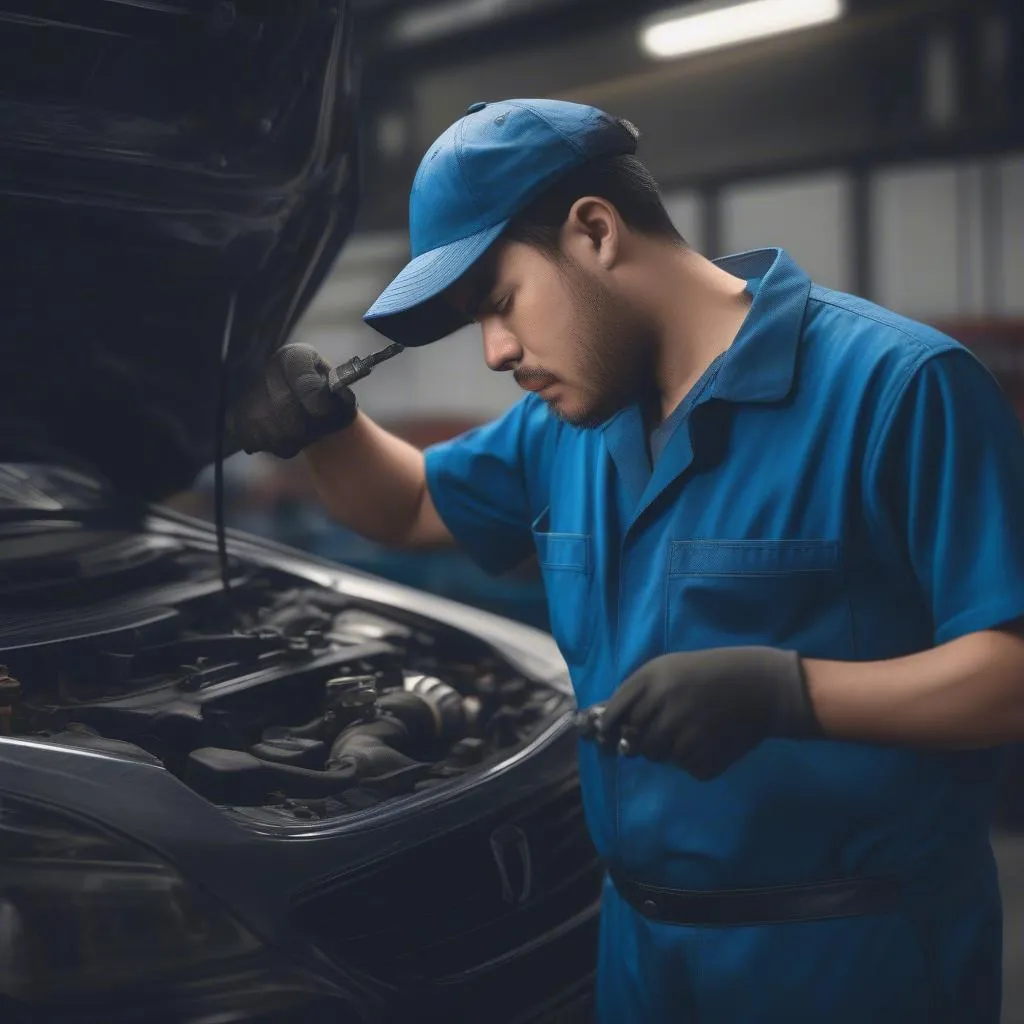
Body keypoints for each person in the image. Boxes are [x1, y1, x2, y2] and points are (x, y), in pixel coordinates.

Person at [227, 98, 1024, 1022]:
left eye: (498, 303)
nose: (495, 352)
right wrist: (330, 426)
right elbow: (406, 503)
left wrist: (788, 692)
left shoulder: (898, 389)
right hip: (637, 949)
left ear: (595, 231)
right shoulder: (568, 426)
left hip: (846, 958)